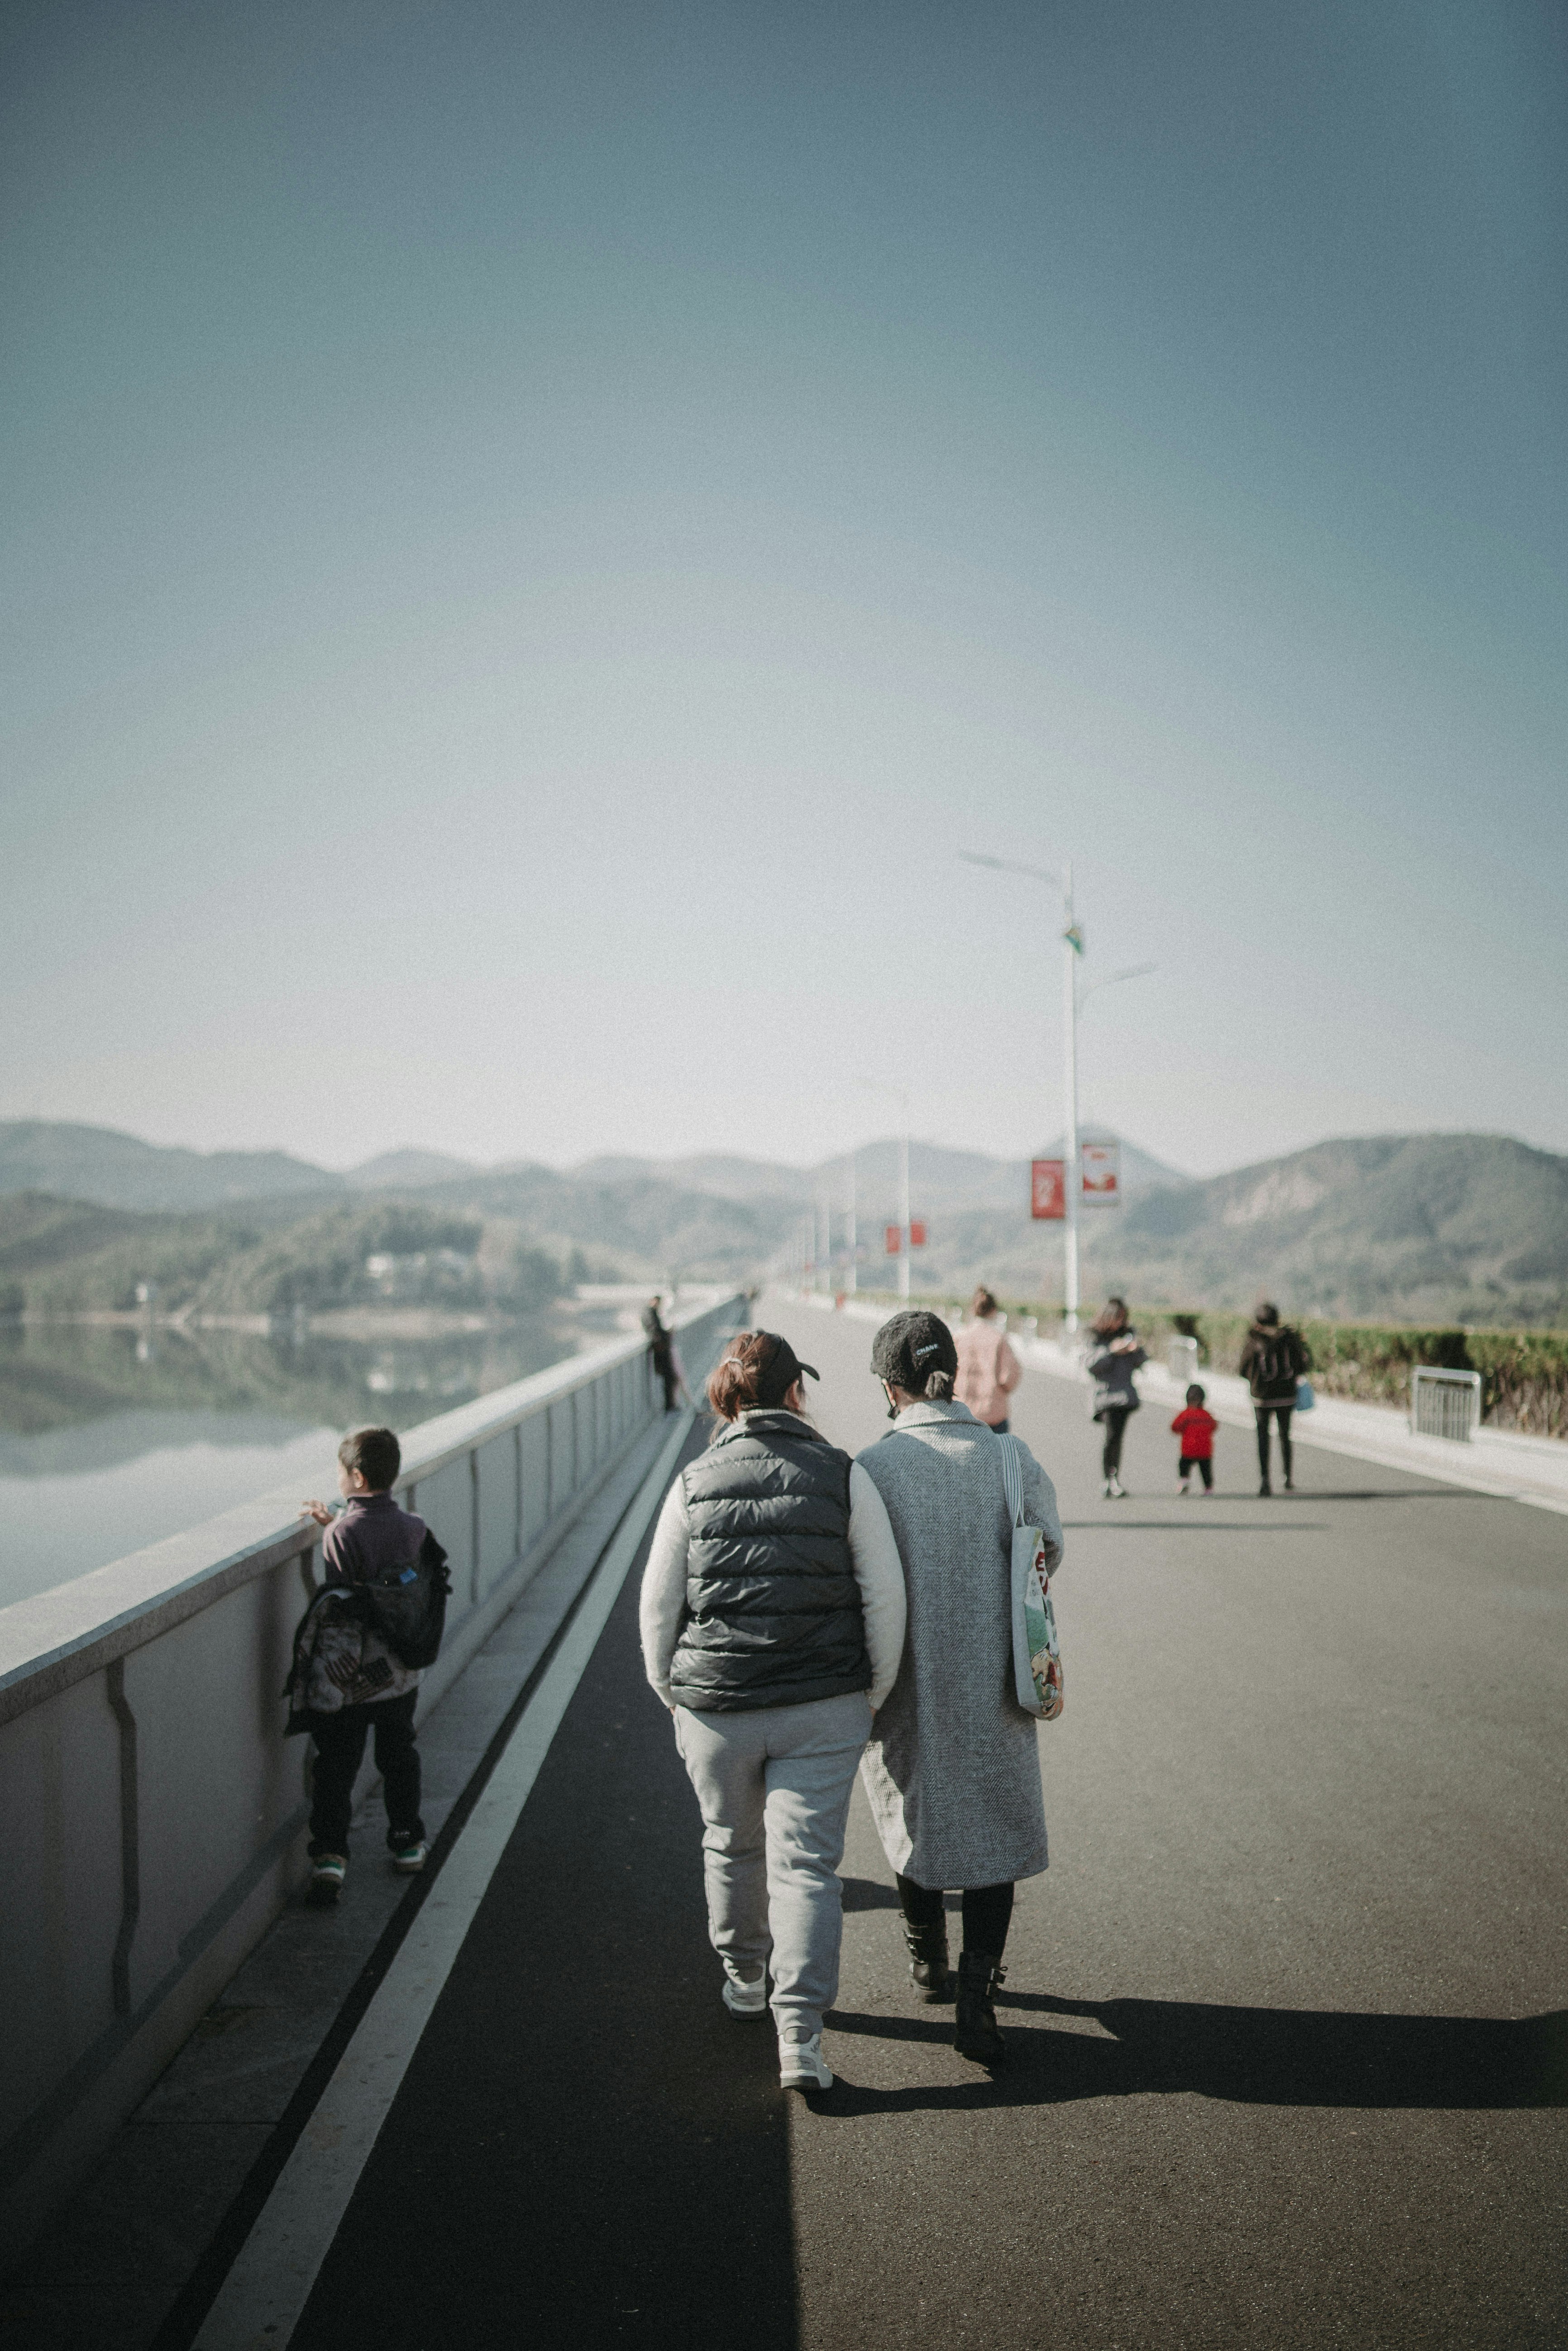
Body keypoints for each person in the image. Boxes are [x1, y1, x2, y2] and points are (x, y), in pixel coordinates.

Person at [640, 1330, 906, 2093]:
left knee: (729, 1845)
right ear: (796, 1392)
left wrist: (673, 1691)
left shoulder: (693, 1478)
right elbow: (882, 1595)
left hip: (716, 1706)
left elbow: (659, 1604)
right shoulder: (841, 1472)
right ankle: (801, 2039)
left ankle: (743, 1978)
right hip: (822, 1702)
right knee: (807, 1871)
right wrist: (871, 1690)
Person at [856, 1309, 1062, 2066]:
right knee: (992, 1826)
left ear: (890, 1386)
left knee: (915, 1813)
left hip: (905, 1677)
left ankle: (925, 1959)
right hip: (996, 1675)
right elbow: (1049, 1548)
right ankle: (978, 1996)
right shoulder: (1008, 1456)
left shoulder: (870, 1469)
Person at [299, 1428, 429, 1905]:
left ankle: (331, 1856)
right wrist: (336, 1520)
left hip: (351, 1677)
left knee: (337, 1765)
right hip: (399, 1671)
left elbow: (344, 1590)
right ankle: (407, 1842)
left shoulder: (339, 1536)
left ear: (355, 1475)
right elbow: (386, 1564)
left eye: (339, 1472)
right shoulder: (414, 1528)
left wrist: (332, 1526)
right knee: (399, 1756)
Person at [1238, 1302, 1313, 1495]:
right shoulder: (1289, 1337)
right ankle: (1287, 1476)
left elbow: (1242, 1368)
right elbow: (1303, 1363)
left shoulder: (1254, 1339)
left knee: (1263, 1437)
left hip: (1262, 1396)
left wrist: (1254, 1381)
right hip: (1286, 1395)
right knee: (1285, 1435)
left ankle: (1265, 1480)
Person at [1086, 1297, 1146, 1500]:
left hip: (1125, 1395)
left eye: (1123, 1318)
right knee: (1112, 1437)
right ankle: (1109, 1479)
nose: (1121, 1322)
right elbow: (1091, 1364)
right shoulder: (1096, 1337)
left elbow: (1141, 1361)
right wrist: (1111, 1351)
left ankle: (1112, 1478)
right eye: (1118, 1318)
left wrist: (1135, 1349)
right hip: (1106, 1395)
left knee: (1117, 1438)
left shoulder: (1129, 1335)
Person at [954, 1286, 1022, 1434]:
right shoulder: (999, 1339)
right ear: (994, 1311)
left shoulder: (960, 1337)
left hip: (963, 1413)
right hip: (993, 1415)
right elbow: (1008, 1378)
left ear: (973, 1309)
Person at [642, 1295, 688, 1412]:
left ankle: (671, 1405)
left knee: (670, 1378)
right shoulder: (650, 1313)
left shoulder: (651, 1312)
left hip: (660, 1349)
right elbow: (654, 1331)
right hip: (660, 1350)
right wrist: (667, 1335)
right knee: (669, 1378)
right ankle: (670, 1406)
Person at [1171, 1382, 1218, 1494]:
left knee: (1184, 1465)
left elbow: (1174, 1427)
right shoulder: (1207, 1415)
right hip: (1205, 1450)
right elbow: (1214, 1426)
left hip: (1189, 1449)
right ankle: (1208, 1488)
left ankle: (1184, 1480)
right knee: (1206, 1470)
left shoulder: (1185, 1415)